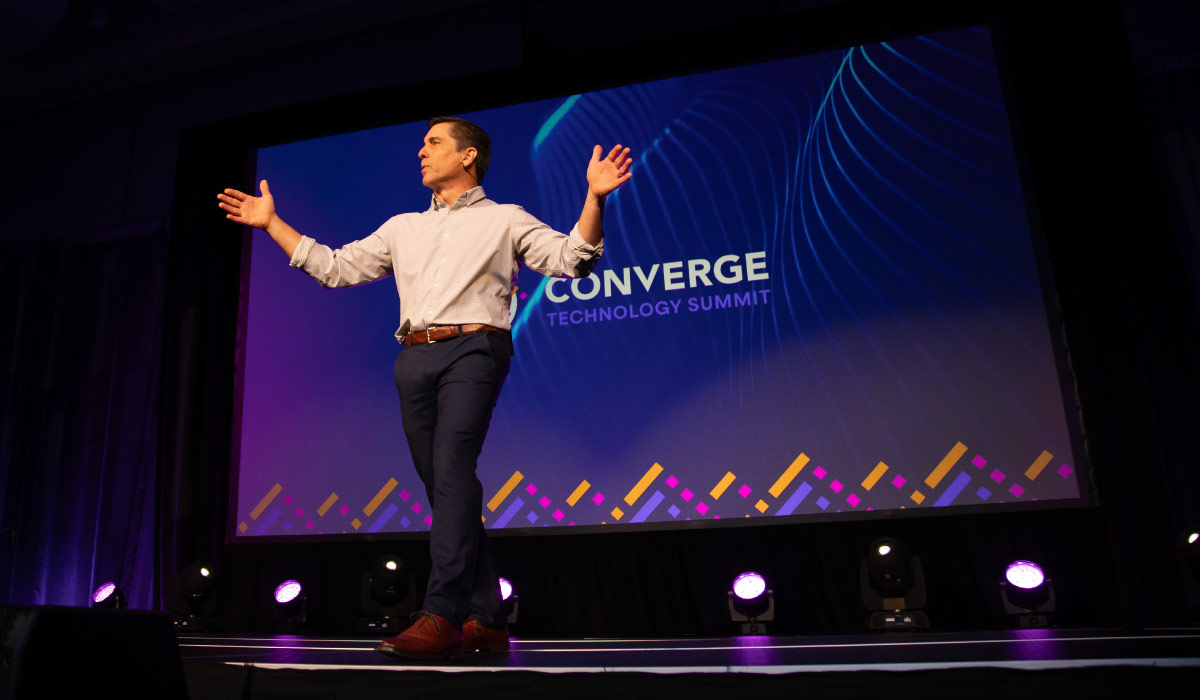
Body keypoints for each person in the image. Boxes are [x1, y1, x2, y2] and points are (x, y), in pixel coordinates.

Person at [217, 116, 633, 659]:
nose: (421, 151)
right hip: (413, 359)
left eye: (434, 142)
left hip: (475, 349)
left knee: (453, 467)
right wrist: (272, 223)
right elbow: (334, 268)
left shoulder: (505, 218)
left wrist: (594, 199)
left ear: (467, 156)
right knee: (445, 486)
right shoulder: (402, 227)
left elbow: (572, 260)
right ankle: (488, 617)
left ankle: (442, 614)